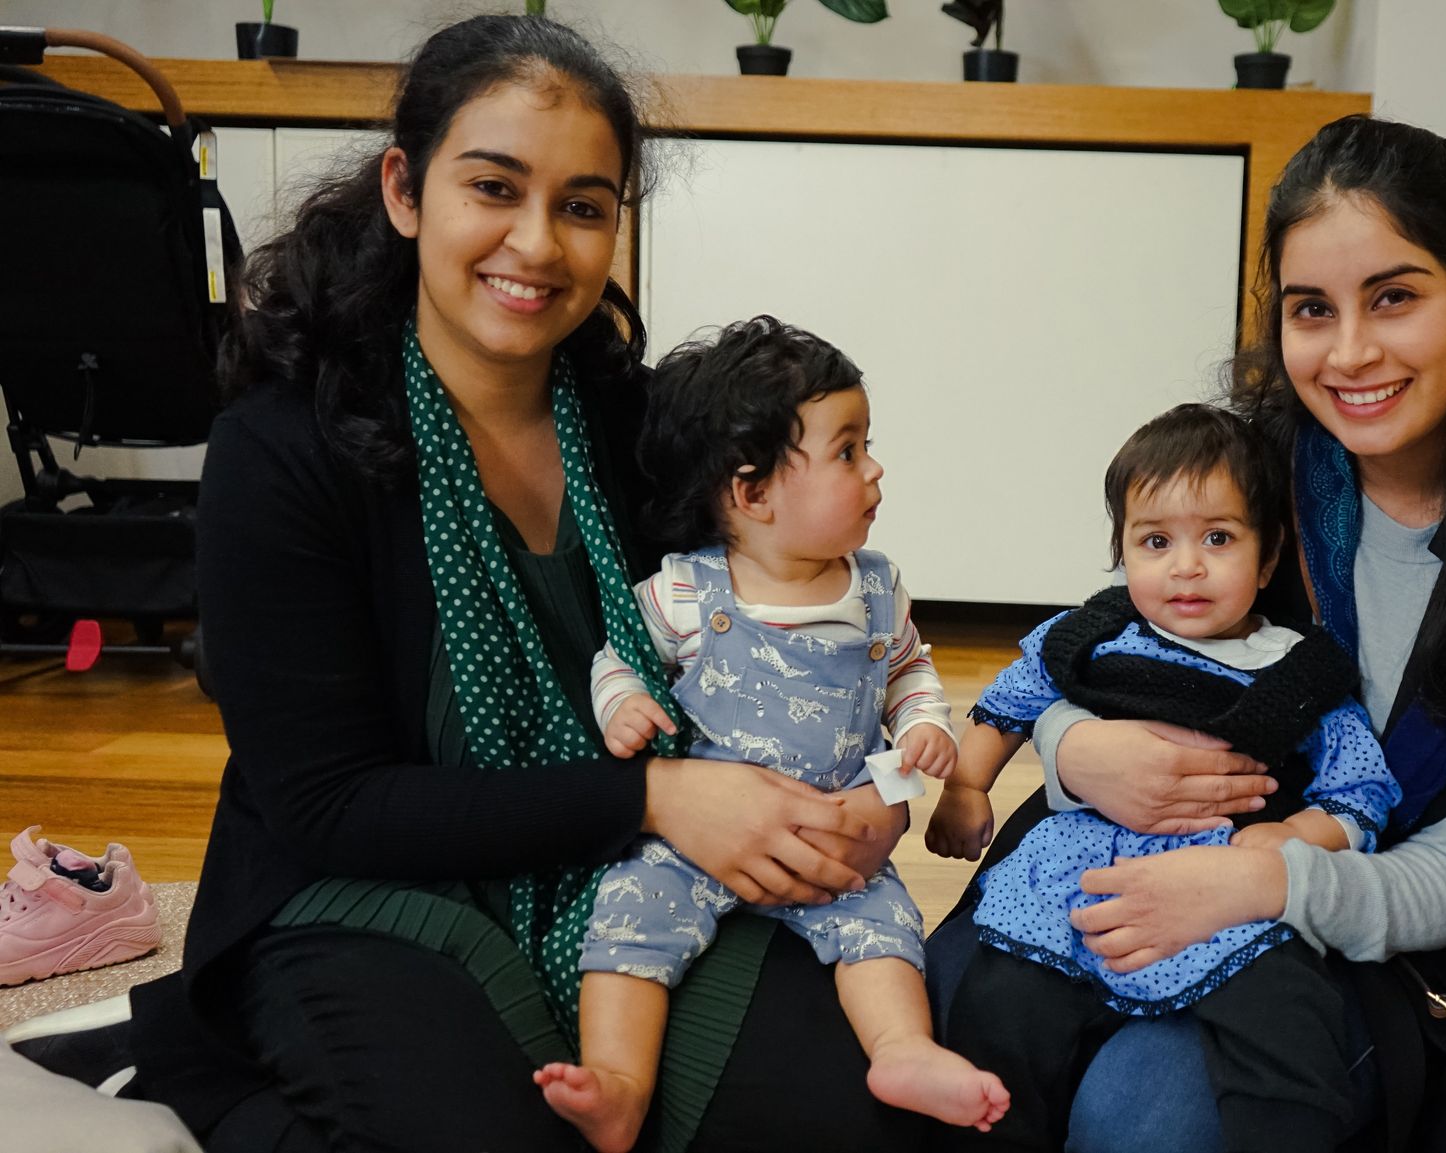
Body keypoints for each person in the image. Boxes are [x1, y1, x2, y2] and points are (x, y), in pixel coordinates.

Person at [117, 18, 922, 1152]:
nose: (537, 244)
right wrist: (655, 797)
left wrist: (856, 788)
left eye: (584, 206)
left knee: (853, 1120)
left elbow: (788, 617)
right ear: (404, 188)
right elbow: (329, 806)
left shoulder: (634, 426)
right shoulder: (279, 452)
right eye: (494, 186)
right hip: (366, 884)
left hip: (637, 878)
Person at [928, 113, 1446, 1153]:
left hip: (1360, 933)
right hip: (1126, 851)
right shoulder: (1256, 474)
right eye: (1311, 309)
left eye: (1395, 296)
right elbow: (1106, 641)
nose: (1350, 351)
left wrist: (1258, 879)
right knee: (945, 1028)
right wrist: (1073, 748)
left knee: (1134, 1116)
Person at [533, 316, 1009, 1150]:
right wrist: (622, 706)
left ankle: (903, 1050)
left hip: (837, 842)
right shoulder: (686, 591)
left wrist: (921, 739)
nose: (876, 468)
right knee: (630, 915)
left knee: (884, 931)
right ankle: (619, 1079)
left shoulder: (876, 589)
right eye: (849, 450)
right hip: (696, 843)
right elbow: (617, 660)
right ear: (751, 493)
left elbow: (909, 676)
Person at [929, 403, 1400, 1152]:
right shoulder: (1094, 633)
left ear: (1269, 556)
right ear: (1121, 551)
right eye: (1156, 541)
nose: (1186, 566)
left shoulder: (1299, 671)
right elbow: (1014, 698)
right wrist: (966, 786)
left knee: (1287, 1021)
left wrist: (1291, 836)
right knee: (998, 1013)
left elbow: (1359, 789)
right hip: (1077, 881)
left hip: (1223, 892)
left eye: (1218, 538)